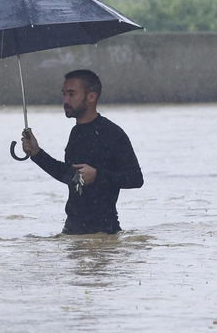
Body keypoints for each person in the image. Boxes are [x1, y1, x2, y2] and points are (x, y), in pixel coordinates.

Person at [20, 69, 143, 235]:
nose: (65, 100)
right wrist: (37, 154)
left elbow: (136, 178)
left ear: (91, 97)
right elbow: (70, 176)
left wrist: (98, 175)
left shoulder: (112, 133)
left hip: (104, 233)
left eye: (71, 94)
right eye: (64, 94)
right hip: (71, 230)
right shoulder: (76, 133)